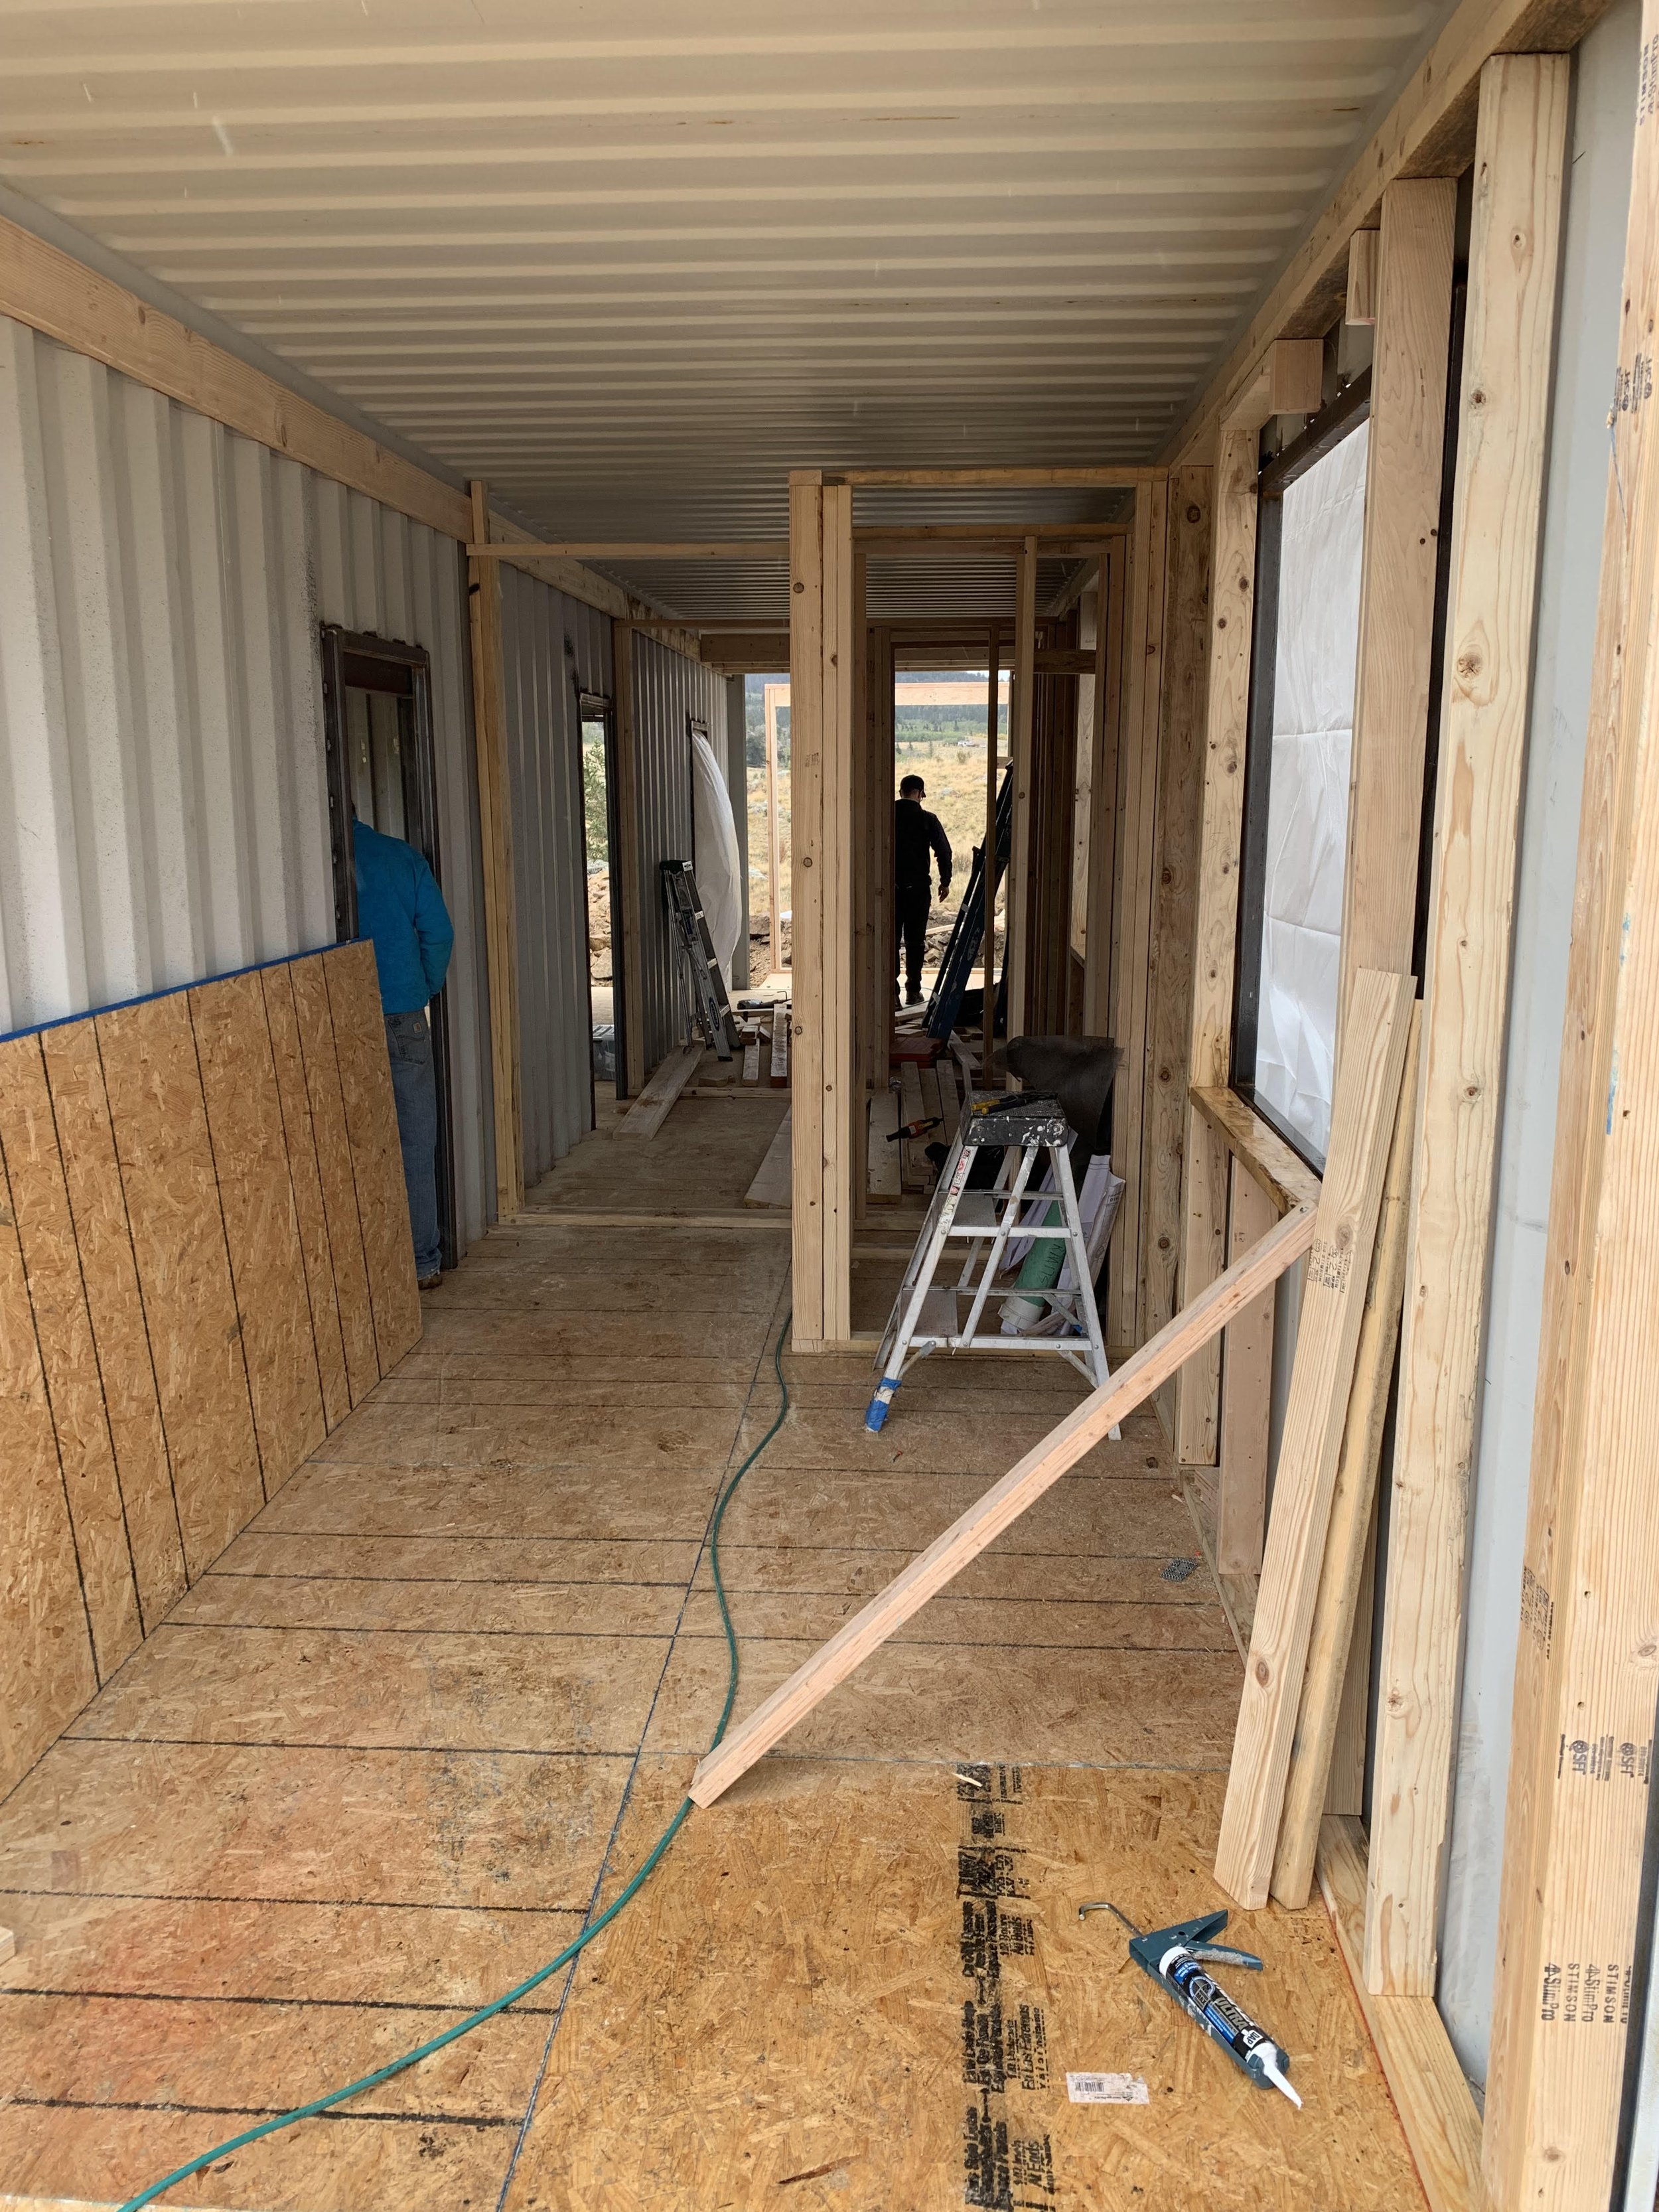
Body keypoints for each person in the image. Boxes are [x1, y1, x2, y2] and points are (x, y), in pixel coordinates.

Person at [352, 815, 455, 1289]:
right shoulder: (402, 858)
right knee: (414, 1136)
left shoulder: (316, 864)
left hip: (335, 1019)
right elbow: (439, 932)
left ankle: (362, 1263)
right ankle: (421, 1261)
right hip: (402, 1014)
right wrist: (424, 987)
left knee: (347, 1138)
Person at [893, 773, 952, 1006]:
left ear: (901, 792)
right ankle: (913, 991)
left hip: (890, 891)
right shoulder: (928, 819)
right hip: (918, 891)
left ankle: (892, 995)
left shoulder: (887, 815)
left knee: (891, 942)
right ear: (920, 794)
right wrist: (945, 881)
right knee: (915, 942)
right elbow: (944, 852)